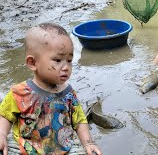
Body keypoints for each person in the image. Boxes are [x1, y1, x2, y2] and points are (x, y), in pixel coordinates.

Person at [0, 23, 102, 155]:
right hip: (25, 147)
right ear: (33, 63)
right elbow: (5, 116)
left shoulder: (69, 94)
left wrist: (88, 142)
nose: (66, 67)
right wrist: (2, 134)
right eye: (58, 60)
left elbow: (79, 121)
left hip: (63, 148)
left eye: (69, 60)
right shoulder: (19, 93)